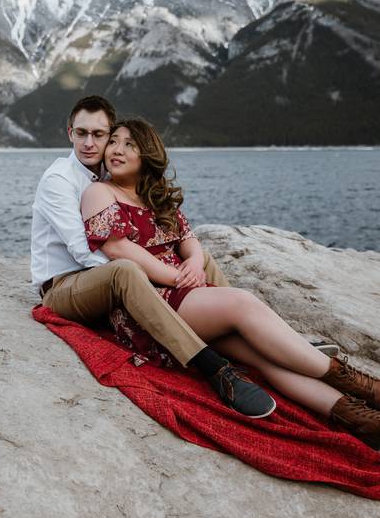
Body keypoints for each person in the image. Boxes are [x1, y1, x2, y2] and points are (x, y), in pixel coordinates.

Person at [79, 119, 380, 451]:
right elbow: (117, 248)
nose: (116, 149)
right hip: (151, 303)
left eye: (129, 144)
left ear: (147, 155)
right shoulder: (100, 191)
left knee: (266, 358)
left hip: (189, 295)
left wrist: (195, 264)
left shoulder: (154, 196)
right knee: (242, 303)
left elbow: (190, 241)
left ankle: (363, 421)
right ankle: (362, 385)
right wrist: (179, 276)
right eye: (114, 141)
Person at [32, 95, 286, 418]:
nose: (89, 143)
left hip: (98, 283)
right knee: (125, 270)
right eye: (81, 133)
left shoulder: (104, 175)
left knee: (197, 261)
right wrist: (156, 276)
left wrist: (178, 266)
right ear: (69, 132)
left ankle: (261, 337)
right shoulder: (60, 180)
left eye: (99, 135)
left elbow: (176, 237)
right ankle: (213, 367)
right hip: (62, 287)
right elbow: (83, 252)